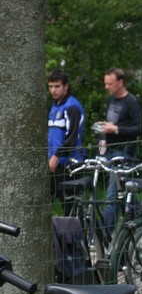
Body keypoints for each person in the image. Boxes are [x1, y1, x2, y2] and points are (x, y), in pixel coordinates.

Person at [99, 68, 142, 233]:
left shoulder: (132, 103)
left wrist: (117, 130)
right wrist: (103, 138)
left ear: (120, 82)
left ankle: (106, 235)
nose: (106, 87)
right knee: (123, 193)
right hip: (110, 151)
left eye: (110, 84)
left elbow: (139, 128)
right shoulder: (111, 100)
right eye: (105, 83)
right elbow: (108, 124)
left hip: (124, 154)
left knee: (112, 195)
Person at [46, 69, 86, 210]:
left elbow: (71, 139)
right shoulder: (54, 106)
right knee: (46, 205)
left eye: (57, 86)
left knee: (71, 209)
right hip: (54, 165)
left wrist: (56, 156)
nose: (53, 90)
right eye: (51, 86)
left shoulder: (71, 107)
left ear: (66, 86)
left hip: (69, 166)